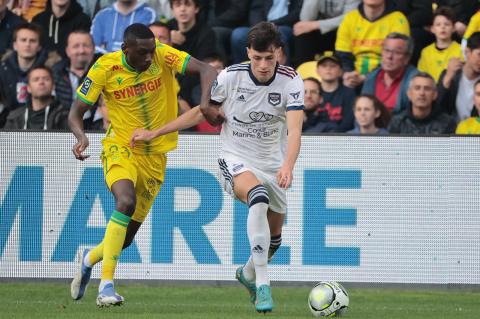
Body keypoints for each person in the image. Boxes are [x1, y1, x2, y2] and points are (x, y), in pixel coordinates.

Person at [129, 22, 304, 313]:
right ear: (248, 52)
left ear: (279, 54)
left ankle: (247, 273)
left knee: (274, 241)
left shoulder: (291, 80)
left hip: (273, 163)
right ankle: (263, 285)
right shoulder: (230, 77)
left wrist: (287, 165)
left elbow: (295, 131)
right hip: (235, 157)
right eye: (257, 57)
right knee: (257, 198)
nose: (263, 65)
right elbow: (202, 110)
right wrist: (154, 132)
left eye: (269, 58)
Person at [68, 23, 217, 307]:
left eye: (152, 51)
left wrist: (205, 101)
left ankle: (88, 259)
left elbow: (208, 70)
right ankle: (107, 286)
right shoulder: (104, 68)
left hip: (155, 155)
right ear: (125, 49)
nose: (150, 58)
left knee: (123, 240)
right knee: (124, 201)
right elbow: (76, 111)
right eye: (143, 53)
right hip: (121, 146)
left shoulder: (161, 53)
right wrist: (81, 136)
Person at [336, 0, 410, 89]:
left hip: (387, 77)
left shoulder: (398, 19)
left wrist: (367, 77)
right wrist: (348, 74)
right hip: (353, 78)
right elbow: (343, 55)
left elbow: (396, 58)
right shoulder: (350, 18)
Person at [0, 22, 60, 128]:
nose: (27, 44)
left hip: (45, 123)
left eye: (32, 41)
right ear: (15, 45)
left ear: (39, 46)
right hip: (8, 123)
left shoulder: (53, 69)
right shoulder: (2, 70)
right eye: (23, 40)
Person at [361, 33, 419, 115]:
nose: (389, 56)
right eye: (386, 50)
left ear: (407, 58)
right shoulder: (371, 78)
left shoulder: (415, 80)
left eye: (397, 52)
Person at [292, 0, 360, 66]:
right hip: (319, 32)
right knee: (302, 33)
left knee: (349, 32)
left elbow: (350, 18)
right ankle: (304, 72)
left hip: (342, 31)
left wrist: (316, 25)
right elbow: (305, 19)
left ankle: (345, 71)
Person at [388, 72, 456, 134]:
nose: (422, 93)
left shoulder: (447, 124)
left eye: (427, 89)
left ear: (435, 95)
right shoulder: (397, 122)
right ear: (409, 94)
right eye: (417, 88)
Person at [4, 65, 69, 129]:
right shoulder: (15, 118)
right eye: (36, 79)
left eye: (46, 79)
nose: (41, 82)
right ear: (28, 88)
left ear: (53, 86)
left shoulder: (64, 116)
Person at [437, 31, 480, 122]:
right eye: (479, 55)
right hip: (450, 132)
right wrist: (448, 78)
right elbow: (436, 106)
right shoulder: (450, 73)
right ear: (467, 52)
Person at [417, 6, 463, 82]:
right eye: (438, 24)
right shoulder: (426, 52)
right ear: (432, 29)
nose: (443, 27)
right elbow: (421, 76)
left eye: (447, 24)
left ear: (454, 28)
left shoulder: (460, 50)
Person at [91, 0, 156, 53]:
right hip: (107, 65)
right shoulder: (102, 15)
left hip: (136, 66)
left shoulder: (149, 14)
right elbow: (92, 46)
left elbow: (151, 45)